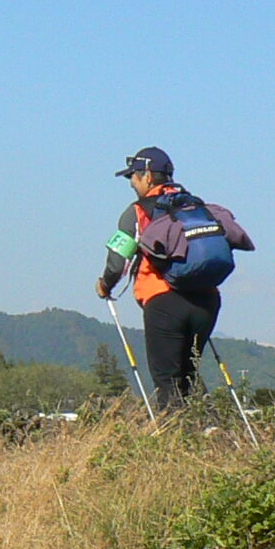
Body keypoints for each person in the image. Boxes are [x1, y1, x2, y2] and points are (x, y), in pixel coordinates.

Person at [94, 146, 253, 409]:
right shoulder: (196, 206)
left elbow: (117, 261)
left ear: (146, 175)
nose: (132, 183)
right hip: (206, 302)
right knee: (187, 377)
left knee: (167, 380)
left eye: (133, 176)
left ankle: (175, 441)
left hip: (164, 302)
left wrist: (104, 285)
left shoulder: (137, 212)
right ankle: (204, 433)